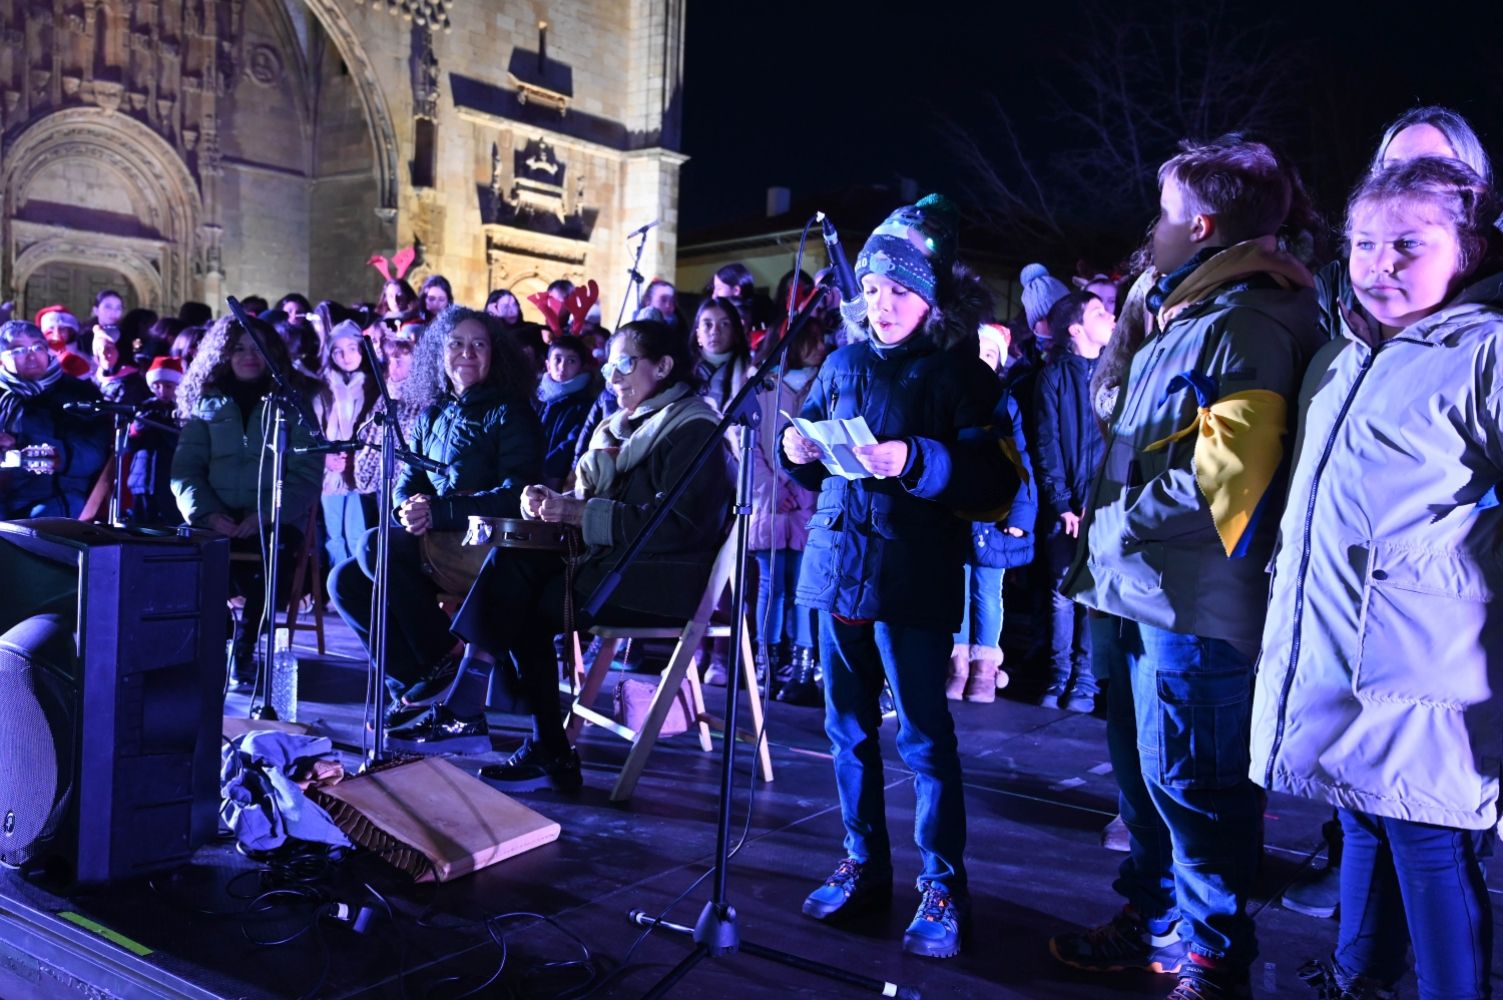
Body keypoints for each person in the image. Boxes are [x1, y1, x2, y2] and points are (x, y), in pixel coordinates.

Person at [1050, 136, 1323, 999]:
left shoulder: (1249, 321)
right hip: (1136, 588)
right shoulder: (1184, 313)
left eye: (1162, 215)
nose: (1150, 231)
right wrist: (1126, 336)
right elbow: (1124, 429)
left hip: (1191, 607)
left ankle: (1213, 958)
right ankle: (1153, 915)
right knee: (1143, 782)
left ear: (1200, 225)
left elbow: (1221, 489)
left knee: (1195, 788)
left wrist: (1104, 532)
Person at [1251, 156, 1502, 1000]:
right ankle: (1357, 980)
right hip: (1338, 652)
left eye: (1407, 245)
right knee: (1358, 815)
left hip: (1431, 670)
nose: (1378, 264)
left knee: (1427, 844)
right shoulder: (1342, 354)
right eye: (1362, 244)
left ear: (1464, 251)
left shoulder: (1485, 351)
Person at [780, 195, 1014, 960]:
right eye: (874, 291)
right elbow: (802, 438)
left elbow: (993, 480)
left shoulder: (958, 375)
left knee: (921, 737)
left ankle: (942, 884)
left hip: (912, 575)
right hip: (835, 567)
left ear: (932, 299)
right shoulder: (840, 363)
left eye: (902, 293)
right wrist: (796, 451)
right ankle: (862, 862)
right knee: (844, 731)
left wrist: (915, 460)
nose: (884, 306)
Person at [406, 319, 731, 783]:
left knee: (519, 593)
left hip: (661, 580)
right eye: (609, 365)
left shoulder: (693, 429)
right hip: (616, 563)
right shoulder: (622, 426)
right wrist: (550, 502)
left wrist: (576, 513)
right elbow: (600, 504)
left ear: (662, 367)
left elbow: (673, 528)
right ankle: (519, 729)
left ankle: (486, 711)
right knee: (514, 564)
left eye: (624, 364)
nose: (612, 377)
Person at [328, 307, 543, 721]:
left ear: (495, 354)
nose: (467, 353)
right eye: (456, 344)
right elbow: (409, 480)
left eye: (479, 344)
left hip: (489, 548)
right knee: (345, 581)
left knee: (376, 545)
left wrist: (440, 512)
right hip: (435, 540)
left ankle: (444, 658)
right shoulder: (433, 414)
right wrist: (406, 506)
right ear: (439, 354)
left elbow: (518, 493)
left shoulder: (512, 413)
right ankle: (411, 687)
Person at [171, 316, 322, 689]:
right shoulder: (206, 402)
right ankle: (214, 645)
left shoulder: (293, 403)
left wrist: (266, 514)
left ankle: (245, 647)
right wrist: (206, 513)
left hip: (272, 518)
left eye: (257, 348)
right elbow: (185, 469)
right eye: (238, 348)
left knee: (275, 556)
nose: (248, 356)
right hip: (215, 516)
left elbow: (306, 472)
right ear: (223, 353)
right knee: (186, 555)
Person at [1032, 290, 1112, 711]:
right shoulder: (1053, 376)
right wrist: (1062, 503)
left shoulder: (1115, 374)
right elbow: (1047, 443)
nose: (1110, 316)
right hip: (1064, 508)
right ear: (1076, 328)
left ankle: (1085, 680)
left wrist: (1096, 503)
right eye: (1099, 311)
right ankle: (1058, 674)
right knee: (1063, 592)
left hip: (1101, 506)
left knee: (1092, 595)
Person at [949, 322, 1035, 703]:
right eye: (977, 350)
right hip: (955, 510)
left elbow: (1024, 465)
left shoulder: (1007, 403)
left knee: (987, 590)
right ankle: (958, 664)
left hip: (994, 511)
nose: (982, 358)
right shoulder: (952, 395)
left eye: (990, 352)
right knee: (954, 587)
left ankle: (985, 670)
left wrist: (1020, 518)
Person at [748, 316, 827, 705]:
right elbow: (747, 448)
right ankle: (765, 662)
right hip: (771, 508)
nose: (821, 347)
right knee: (771, 586)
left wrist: (798, 485)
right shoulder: (762, 388)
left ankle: (801, 666)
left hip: (808, 507)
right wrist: (772, 489)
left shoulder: (823, 386)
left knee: (804, 591)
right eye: (813, 340)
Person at [0, 320, 111, 519]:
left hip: (55, 494)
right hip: (4, 492)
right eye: (18, 350)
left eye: (38, 347)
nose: (31, 355)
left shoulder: (78, 392)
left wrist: (26, 445)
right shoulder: (3, 396)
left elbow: (92, 454)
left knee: (41, 526)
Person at [314, 321, 380, 565]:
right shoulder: (323, 387)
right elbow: (314, 426)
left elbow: (373, 426)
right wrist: (325, 456)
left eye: (352, 348)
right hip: (330, 471)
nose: (346, 356)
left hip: (358, 468)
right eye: (338, 350)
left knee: (357, 532)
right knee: (333, 534)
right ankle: (335, 584)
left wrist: (357, 457)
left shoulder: (372, 386)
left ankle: (356, 583)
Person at [534, 334, 600, 492]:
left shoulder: (585, 404)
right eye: (557, 359)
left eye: (571, 361)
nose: (562, 367)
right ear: (547, 364)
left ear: (581, 366)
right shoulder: (534, 397)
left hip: (556, 480)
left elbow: (572, 443)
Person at [125, 356, 184, 526]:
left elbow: (180, 444)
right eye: (157, 386)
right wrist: (137, 428)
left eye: (168, 386)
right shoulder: (143, 408)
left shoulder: (181, 411)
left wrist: (165, 425)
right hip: (142, 479)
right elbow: (128, 446)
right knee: (141, 527)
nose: (162, 391)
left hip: (170, 479)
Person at [690, 296, 753, 415]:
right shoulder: (682, 368)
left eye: (724, 324)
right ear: (698, 334)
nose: (715, 331)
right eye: (708, 324)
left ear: (735, 332)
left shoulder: (750, 371)